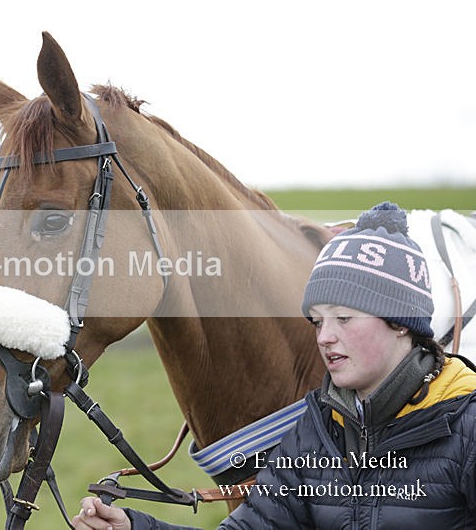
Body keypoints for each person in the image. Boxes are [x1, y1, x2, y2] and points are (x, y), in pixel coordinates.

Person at [71, 202, 476, 529]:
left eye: (344, 318)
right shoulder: (314, 432)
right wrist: (134, 528)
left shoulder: (466, 428)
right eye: (318, 320)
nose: (324, 336)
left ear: (401, 322)